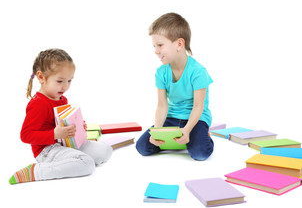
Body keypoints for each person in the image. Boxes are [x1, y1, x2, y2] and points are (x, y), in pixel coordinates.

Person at [9, 48, 112, 184]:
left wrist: (78, 126)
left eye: (69, 81)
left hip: (66, 143)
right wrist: (54, 134)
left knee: (106, 150)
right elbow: (26, 135)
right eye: (60, 81)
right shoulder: (38, 104)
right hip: (47, 150)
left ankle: (75, 163)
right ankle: (35, 171)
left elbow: (63, 122)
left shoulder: (62, 99)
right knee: (87, 164)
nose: (65, 86)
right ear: (41, 77)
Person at [136, 13, 214, 161]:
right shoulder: (161, 73)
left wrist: (187, 130)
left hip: (196, 119)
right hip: (171, 118)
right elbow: (162, 105)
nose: (156, 51)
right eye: (154, 46)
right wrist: (157, 131)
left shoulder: (198, 72)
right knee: (143, 147)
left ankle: (200, 137)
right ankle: (181, 140)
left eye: (160, 45)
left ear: (179, 44)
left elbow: (198, 107)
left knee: (200, 153)